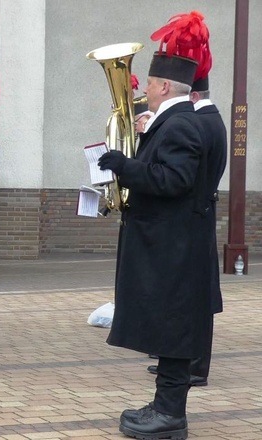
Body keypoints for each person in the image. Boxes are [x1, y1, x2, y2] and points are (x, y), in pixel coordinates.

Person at [98, 50, 212, 439]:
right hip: (169, 242)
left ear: (164, 86)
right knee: (168, 327)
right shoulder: (175, 122)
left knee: (173, 328)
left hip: (171, 245)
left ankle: (170, 415)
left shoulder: (180, 125)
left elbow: (173, 180)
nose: (143, 89)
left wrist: (124, 166)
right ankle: (164, 406)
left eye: (148, 83)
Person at [145, 75, 227, 387]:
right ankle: (187, 362)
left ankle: (192, 365)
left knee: (194, 299)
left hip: (193, 217)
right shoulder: (210, 119)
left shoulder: (199, 121)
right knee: (196, 296)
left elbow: (181, 175)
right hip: (201, 213)